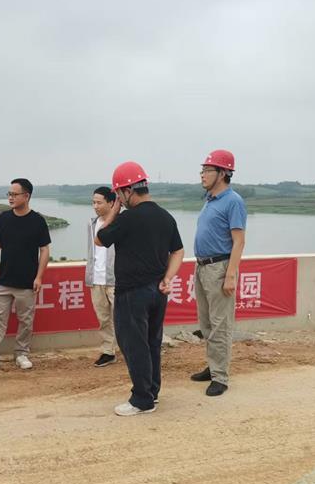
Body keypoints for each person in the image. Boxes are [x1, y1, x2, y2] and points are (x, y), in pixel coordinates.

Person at [96, 161, 184, 416]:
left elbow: (99, 239)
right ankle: (152, 392)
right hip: (157, 291)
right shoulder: (165, 217)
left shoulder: (127, 219)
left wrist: (113, 212)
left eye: (119, 194)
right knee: (151, 343)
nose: (119, 199)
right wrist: (168, 278)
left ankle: (142, 399)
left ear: (127, 191)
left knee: (134, 345)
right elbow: (178, 251)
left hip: (131, 293)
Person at [0, 178, 51, 371]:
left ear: (26, 196)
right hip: (3, 280)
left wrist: (39, 277)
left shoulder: (37, 221)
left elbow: (44, 250)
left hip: (27, 282)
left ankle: (21, 354)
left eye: (14, 194)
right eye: (9, 194)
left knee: (26, 321)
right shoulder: (4, 218)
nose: (10, 198)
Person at [190, 150, 247, 396]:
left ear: (222, 173)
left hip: (219, 268)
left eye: (207, 170)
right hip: (202, 267)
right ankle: (213, 367)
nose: (202, 175)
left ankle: (220, 377)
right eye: (202, 170)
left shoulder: (233, 201)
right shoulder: (210, 199)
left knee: (220, 324)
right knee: (206, 323)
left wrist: (230, 275)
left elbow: (239, 241)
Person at [85, 186, 118, 367]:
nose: (95, 206)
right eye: (93, 202)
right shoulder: (92, 224)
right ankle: (108, 351)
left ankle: (132, 350)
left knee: (123, 318)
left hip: (116, 279)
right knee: (103, 319)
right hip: (96, 279)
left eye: (99, 202)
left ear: (111, 203)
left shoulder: (120, 223)